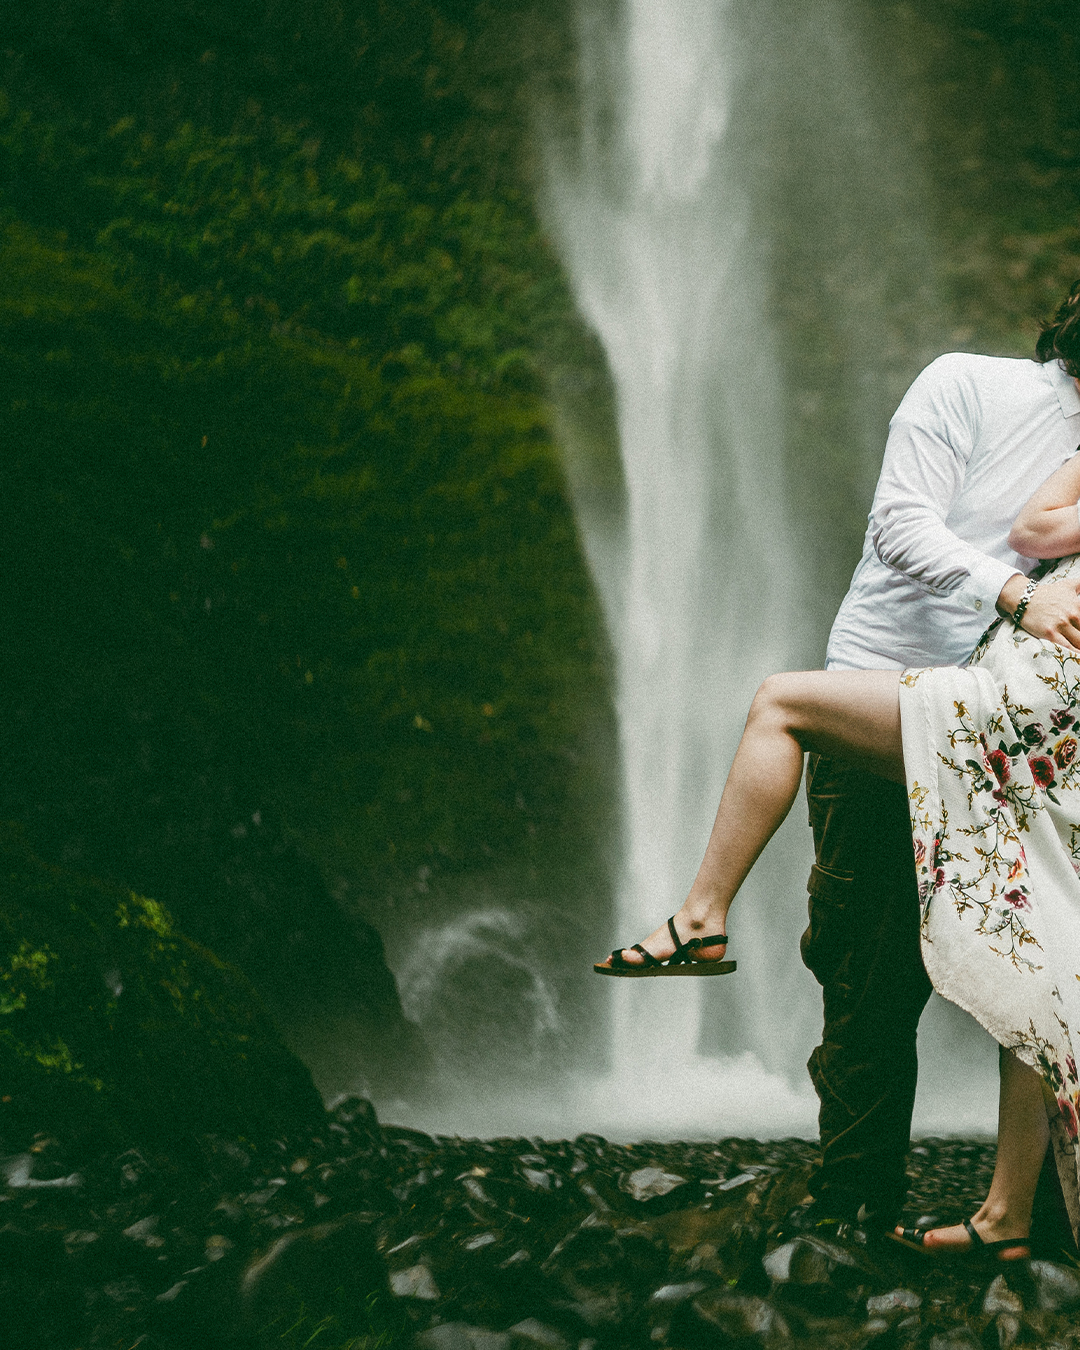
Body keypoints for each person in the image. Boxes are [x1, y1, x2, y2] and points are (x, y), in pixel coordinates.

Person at [596, 282, 1080, 1248]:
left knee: (1045, 977)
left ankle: (1027, 1221)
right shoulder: (968, 386)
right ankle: (854, 1212)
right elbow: (900, 525)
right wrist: (1015, 595)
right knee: (867, 972)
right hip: (883, 705)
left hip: (1024, 738)